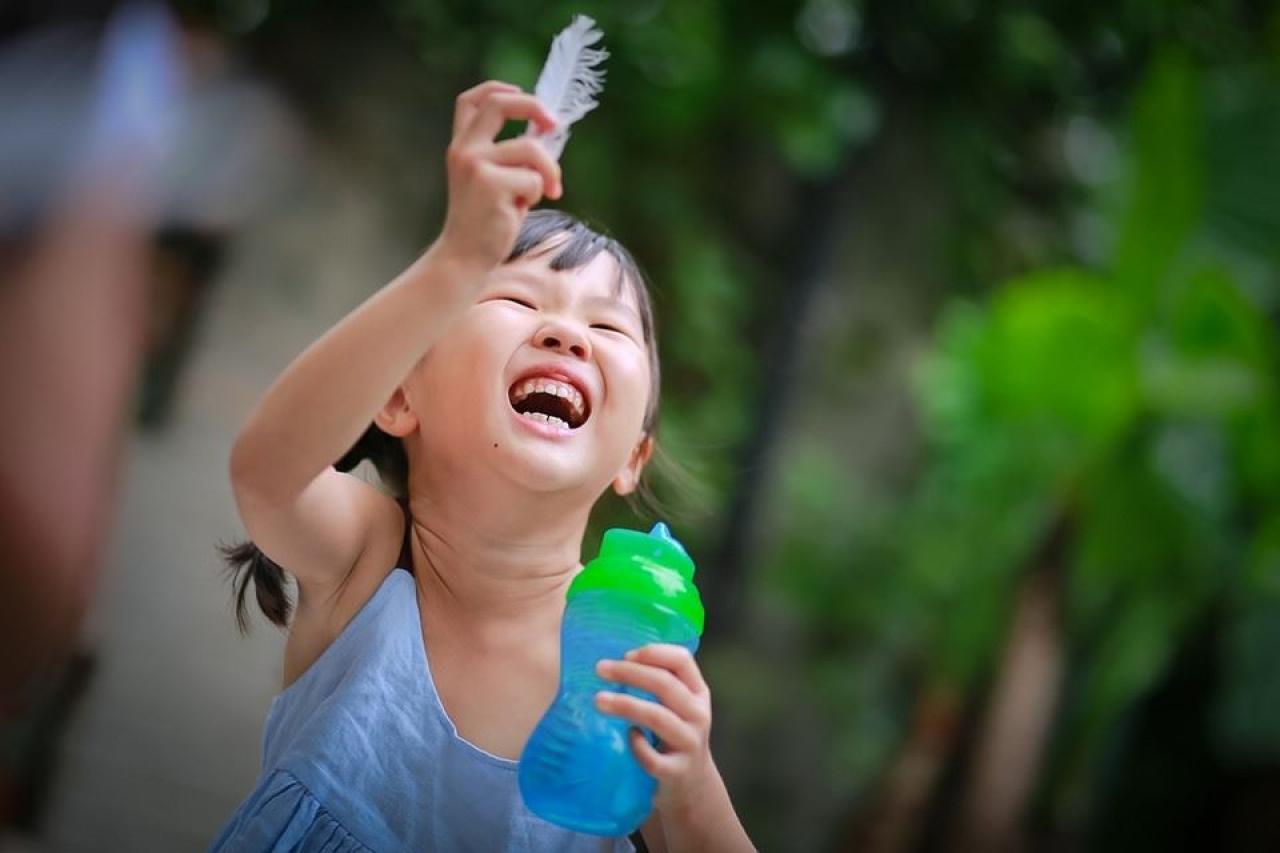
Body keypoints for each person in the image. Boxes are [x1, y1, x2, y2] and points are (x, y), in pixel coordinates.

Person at [212, 80, 755, 852]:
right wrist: (456, 260)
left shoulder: (620, 669)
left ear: (633, 456)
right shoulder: (367, 561)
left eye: (606, 324)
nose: (567, 335)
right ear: (398, 395)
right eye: (522, 301)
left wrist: (691, 790)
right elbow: (266, 473)